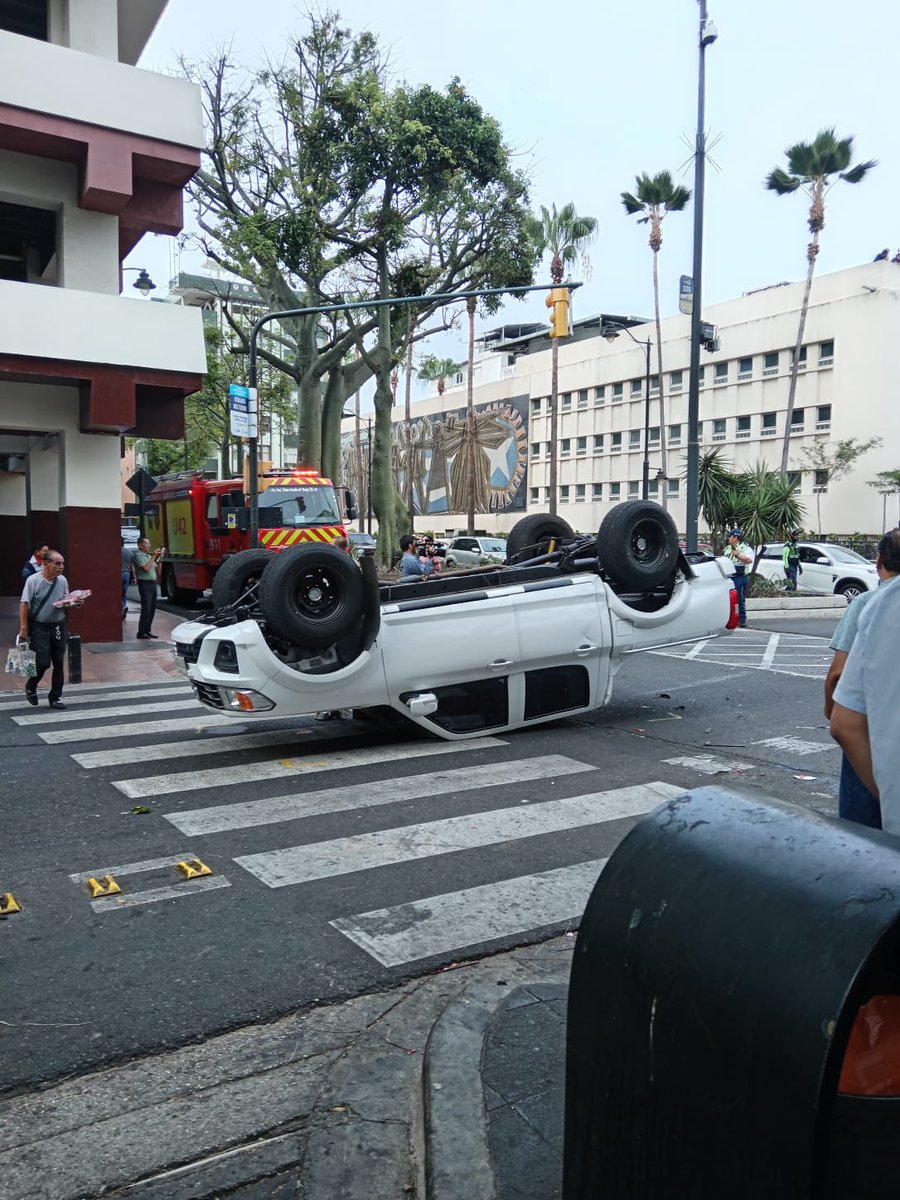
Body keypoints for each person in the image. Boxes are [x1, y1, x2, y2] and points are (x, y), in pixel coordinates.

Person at [824, 532, 900, 828]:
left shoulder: (874, 603)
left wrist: (830, 708)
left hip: (872, 732)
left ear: (878, 560)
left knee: (860, 835)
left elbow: (838, 677)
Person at [18, 549, 76, 709]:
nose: (61, 566)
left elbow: (65, 598)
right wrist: (23, 628)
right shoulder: (33, 580)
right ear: (45, 564)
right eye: (57, 563)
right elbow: (24, 603)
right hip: (40, 627)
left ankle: (55, 697)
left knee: (58, 662)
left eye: (62, 563)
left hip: (58, 625)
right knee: (42, 662)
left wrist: (74, 601)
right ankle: (31, 685)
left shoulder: (62, 580)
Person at [131, 536, 165, 639]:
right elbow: (146, 568)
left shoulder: (148, 556)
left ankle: (148, 629)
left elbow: (157, 572)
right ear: (140, 545)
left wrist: (160, 560)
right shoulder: (138, 556)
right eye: (147, 544)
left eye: (149, 544)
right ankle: (141, 632)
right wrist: (154, 556)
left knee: (152, 608)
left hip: (152, 584)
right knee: (146, 608)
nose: (149, 546)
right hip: (144, 584)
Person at [724, 528, 753, 627]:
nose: (728, 538)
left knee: (739, 599)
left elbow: (749, 560)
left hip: (740, 577)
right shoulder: (728, 548)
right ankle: (729, 619)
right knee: (729, 600)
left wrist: (738, 555)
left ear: (735, 537)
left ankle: (741, 620)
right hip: (729, 577)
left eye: (730, 536)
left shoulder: (745, 548)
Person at [121, 537, 136, 620]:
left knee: (117, 593)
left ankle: (123, 606)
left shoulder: (115, 552)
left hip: (119, 574)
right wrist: (134, 577)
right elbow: (132, 565)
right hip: (127, 574)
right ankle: (123, 608)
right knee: (123, 593)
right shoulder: (129, 552)